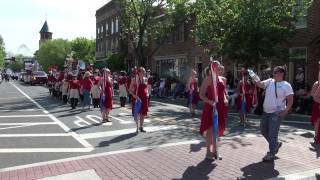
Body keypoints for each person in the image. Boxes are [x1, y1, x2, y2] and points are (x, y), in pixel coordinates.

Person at [255, 66, 294, 162]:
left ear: (281, 74)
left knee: (272, 133)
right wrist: (254, 76)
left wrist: (287, 110)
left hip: (277, 113)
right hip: (266, 111)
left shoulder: (286, 85)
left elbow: (290, 99)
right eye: (274, 72)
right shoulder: (270, 81)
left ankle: (271, 153)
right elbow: (260, 84)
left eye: (277, 72)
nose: (275, 73)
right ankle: (275, 144)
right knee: (263, 130)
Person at [199, 61, 228, 160]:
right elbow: (201, 94)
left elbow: (224, 92)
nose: (218, 68)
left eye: (219, 66)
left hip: (221, 107)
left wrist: (225, 99)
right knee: (210, 130)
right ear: (212, 68)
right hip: (211, 107)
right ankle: (208, 152)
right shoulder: (208, 79)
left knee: (218, 130)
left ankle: (216, 151)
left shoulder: (223, 79)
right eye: (216, 66)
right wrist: (209, 101)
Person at [129, 67, 148, 133]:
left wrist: (147, 93)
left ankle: (141, 126)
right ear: (139, 72)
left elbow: (146, 88)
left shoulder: (146, 79)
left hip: (144, 98)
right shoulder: (134, 79)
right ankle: (137, 126)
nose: (144, 73)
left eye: (144, 71)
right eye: (142, 71)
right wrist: (134, 95)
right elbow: (130, 90)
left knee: (143, 113)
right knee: (137, 112)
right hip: (137, 98)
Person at [217, 65, 229, 137]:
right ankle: (216, 129)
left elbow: (224, 89)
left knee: (224, 115)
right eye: (220, 70)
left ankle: (222, 130)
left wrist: (226, 96)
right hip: (216, 98)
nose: (222, 71)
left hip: (222, 98)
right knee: (216, 115)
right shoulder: (213, 78)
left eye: (223, 70)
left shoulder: (224, 79)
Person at [311, 63, 320, 144]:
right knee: (317, 120)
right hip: (317, 104)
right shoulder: (317, 83)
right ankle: (316, 135)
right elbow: (313, 95)